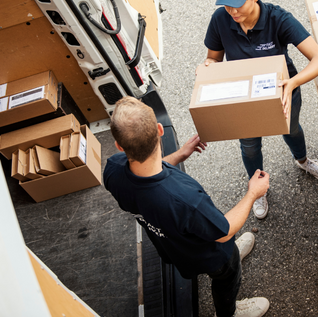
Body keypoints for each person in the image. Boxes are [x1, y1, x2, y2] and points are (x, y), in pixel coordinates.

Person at [104, 96, 270, 317]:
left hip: (174, 248)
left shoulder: (112, 170)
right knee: (227, 274)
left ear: (119, 145)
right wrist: (252, 194)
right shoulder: (185, 198)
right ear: (160, 130)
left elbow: (145, 171)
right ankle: (230, 312)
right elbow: (223, 232)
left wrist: (180, 154)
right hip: (212, 253)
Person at [204, 0, 318, 219]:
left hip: (283, 91)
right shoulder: (220, 19)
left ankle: (302, 161)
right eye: (226, 2)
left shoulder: (278, 18)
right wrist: (207, 67)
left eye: (239, 2)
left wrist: (293, 82)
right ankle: (257, 190)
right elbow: (213, 58)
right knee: (250, 147)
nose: (232, 10)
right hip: (244, 99)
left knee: (292, 130)